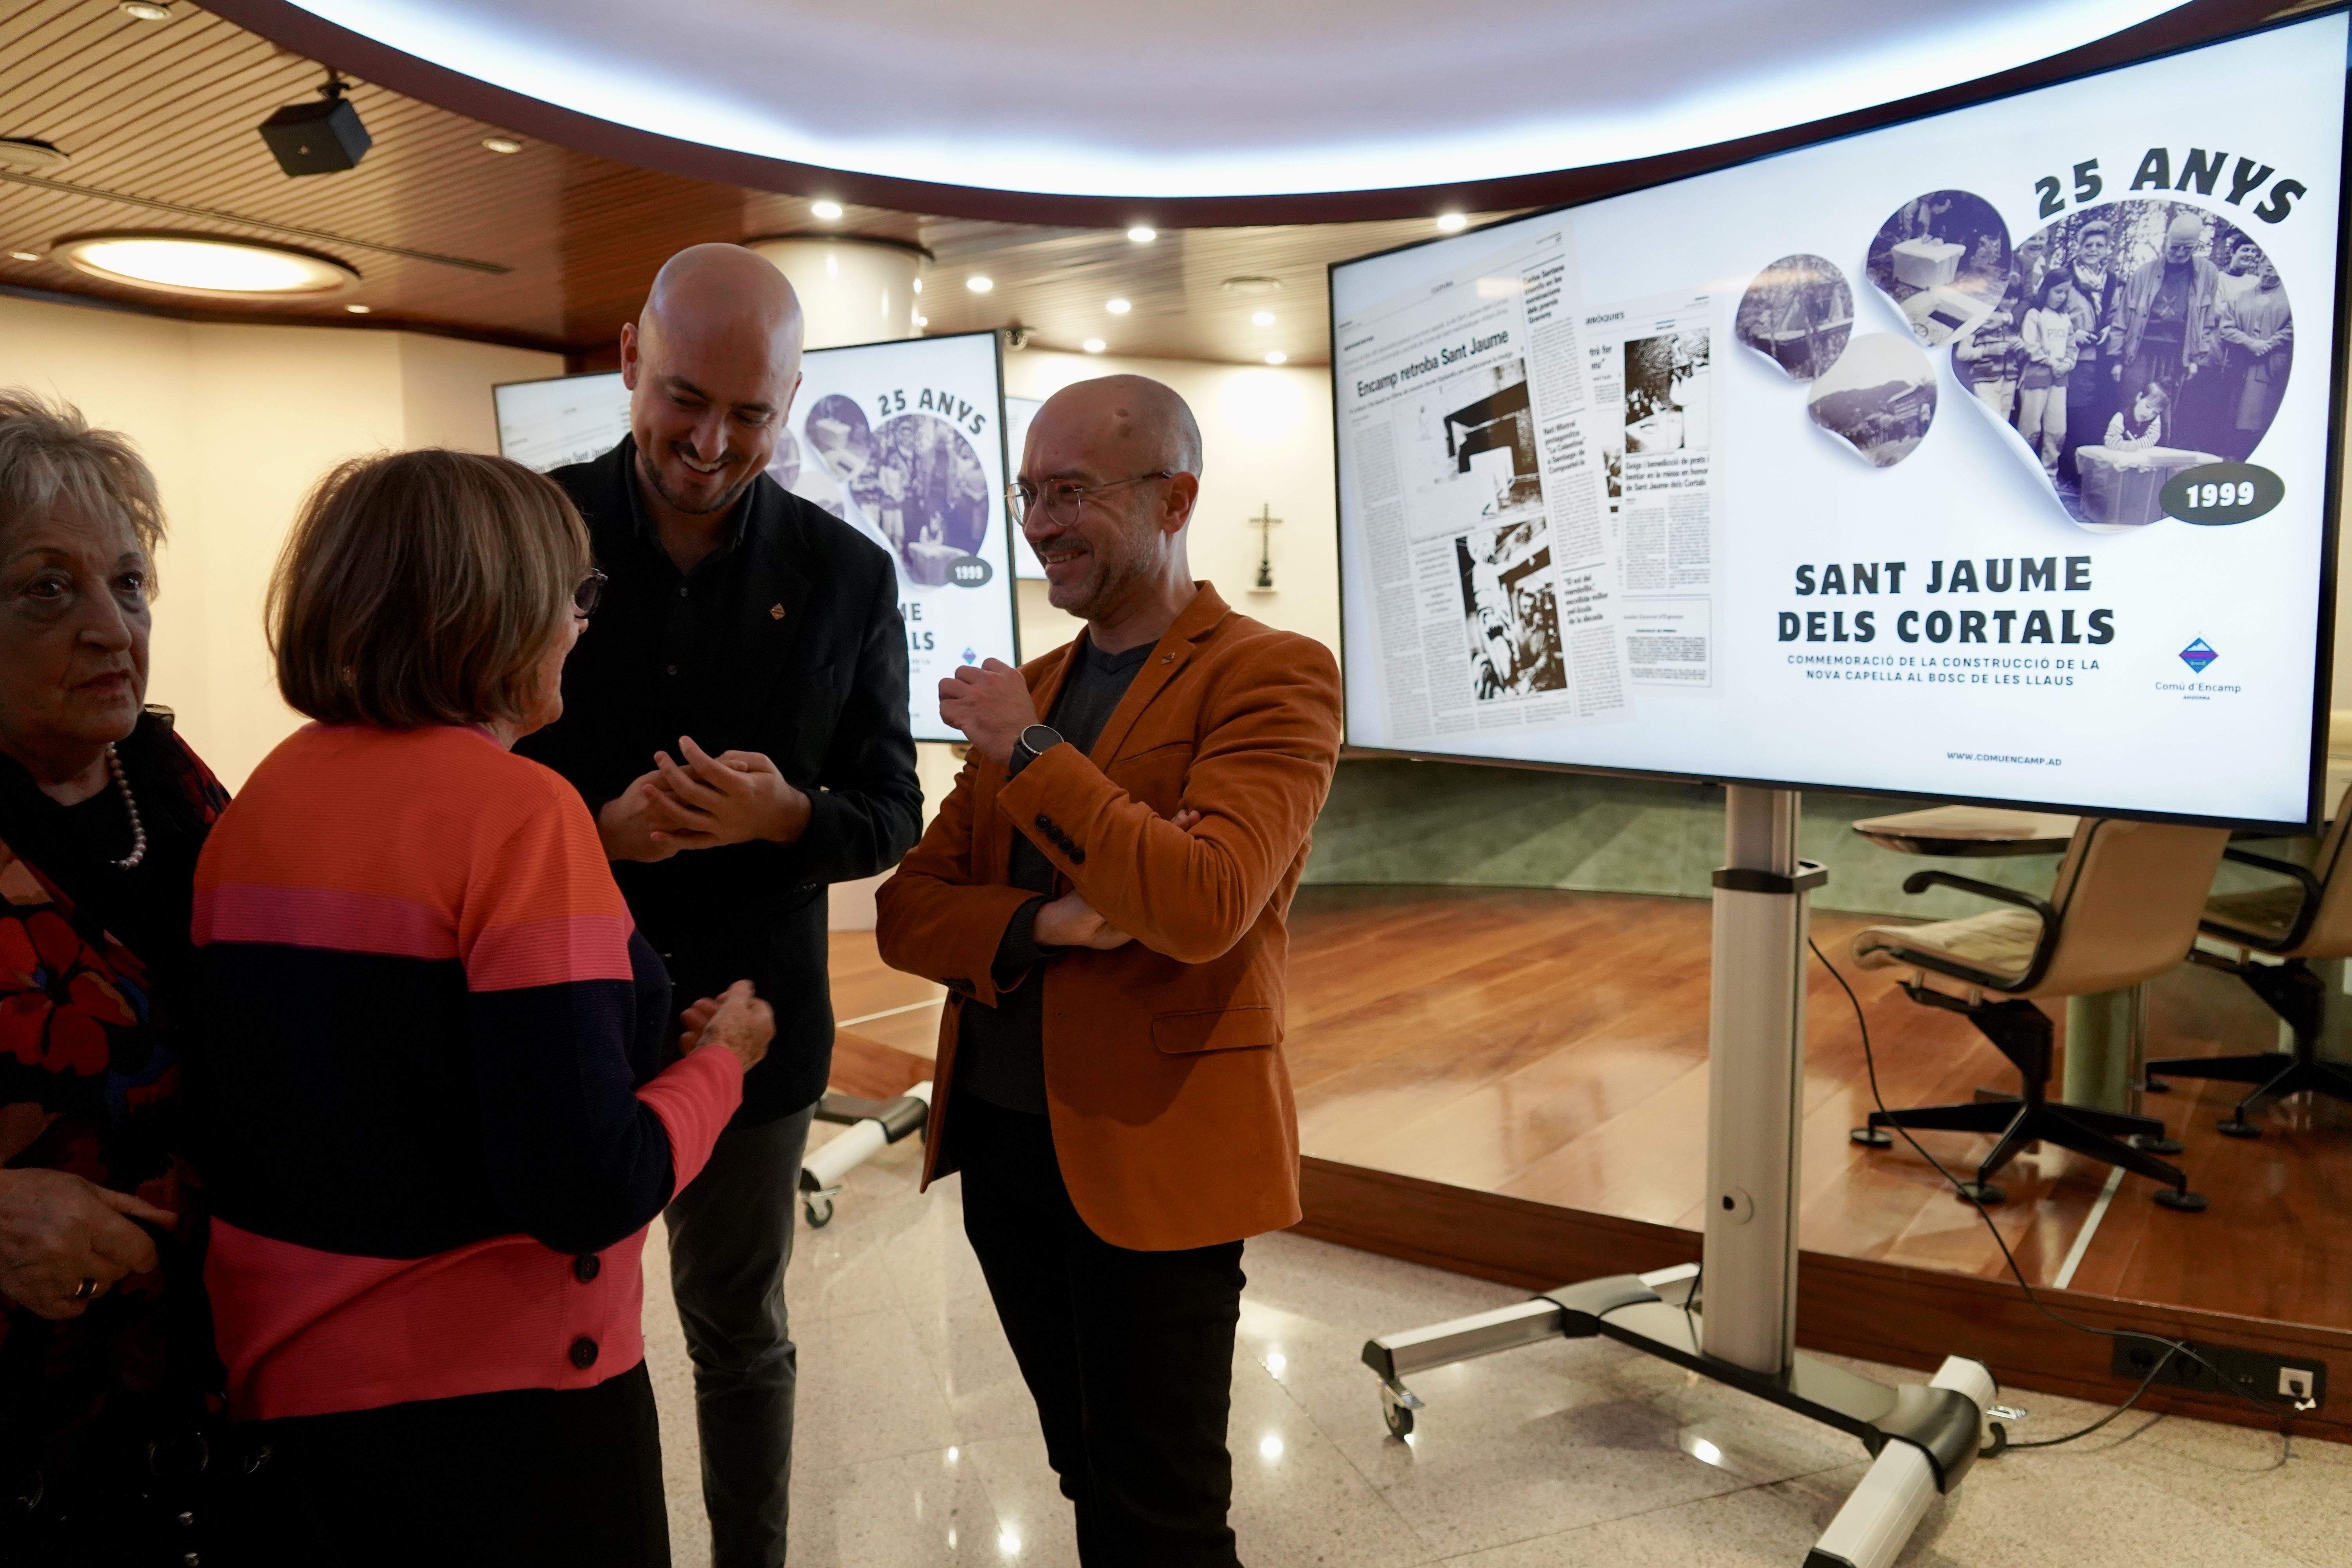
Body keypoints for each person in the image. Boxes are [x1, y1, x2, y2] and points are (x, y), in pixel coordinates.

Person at [190, 449, 772, 1566]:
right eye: (571, 592)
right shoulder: (520, 815)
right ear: (491, 608)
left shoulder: (254, 804)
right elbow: (587, 1184)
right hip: (506, 1427)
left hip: (290, 1411)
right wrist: (724, 1063)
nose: (579, 623)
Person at [875, 375, 1343, 1566]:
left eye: (1071, 492)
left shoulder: (1269, 673)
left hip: (1158, 1150)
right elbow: (908, 911)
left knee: (1162, 1504)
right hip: (1005, 1141)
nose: (1037, 523)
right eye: (1029, 493)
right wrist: (1046, 928)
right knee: (1084, 1464)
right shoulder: (1027, 683)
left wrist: (1026, 751)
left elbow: (1198, 903)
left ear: (1174, 496)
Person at [514, 243, 923, 1568]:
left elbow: (891, 810)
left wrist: (787, 816)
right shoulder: (529, 535)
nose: (712, 441)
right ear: (630, 359)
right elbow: (455, 769)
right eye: (685, 396)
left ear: (793, 399)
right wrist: (596, 834)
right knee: (550, 1322)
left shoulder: (852, 575)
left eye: (753, 413)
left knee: (737, 1332)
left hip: (759, 1028)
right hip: (554, 1008)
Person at [0, 392, 230, 1562]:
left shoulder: (176, 780)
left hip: (200, 1397)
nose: (108, 626)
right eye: (47, 587)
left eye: (127, 584)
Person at [2115, 211, 2223, 443]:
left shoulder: (2208, 274)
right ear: (2166, 241)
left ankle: (2156, 471)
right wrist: (2116, 358)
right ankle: (2122, 462)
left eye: (2188, 248)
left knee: (2163, 415)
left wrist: (2196, 358)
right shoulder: (2143, 274)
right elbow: (2122, 319)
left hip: (2177, 356)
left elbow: (2208, 322)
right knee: (2132, 408)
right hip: (2140, 354)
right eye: (2175, 247)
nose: (2181, 254)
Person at [2057, 220, 2121, 488]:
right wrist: (2074, 333)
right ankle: (2068, 472)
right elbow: (2051, 309)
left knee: (2097, 414)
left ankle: (2090, 475)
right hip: (2075, 357)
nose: (2094, 250)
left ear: (2107, 249)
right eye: (2089, 245)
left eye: (2100, 245)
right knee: (2074, 413)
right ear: (2080, 248)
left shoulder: (2113, 281)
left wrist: (2108, 329)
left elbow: (2118, 314)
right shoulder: (2066, 277)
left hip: (2103, 359)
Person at [2214, 260, 2292, 461]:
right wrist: (2249, 342)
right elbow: (2226, 328)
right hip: (2241, 366)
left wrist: (2271, 343)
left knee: (2264, 418)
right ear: (2259, 268)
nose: (2272, 274)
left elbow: (2293, 328)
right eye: (2268, 269)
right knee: (2235, 416)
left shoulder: (2291, 298)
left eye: (2277, 270)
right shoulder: (2241, 298)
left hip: (2273, 368)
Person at [2017, 272, 2080, 474]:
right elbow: (2031, 345)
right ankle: (2021, 471)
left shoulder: (2065, 319)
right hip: (2037, 376)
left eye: (2066, 293)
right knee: (2031, 427)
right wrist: (2052, 362)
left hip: (2060, 379)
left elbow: (2072, 345)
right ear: (2047, 290)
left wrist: (2068, 363)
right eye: (2057, 291)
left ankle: (2049, 472)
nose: (2061, 297)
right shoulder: (2035, 314)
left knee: (2057, 429)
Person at [2104, 381, 2169, 450]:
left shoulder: (2155, 420)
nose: (2149, 414)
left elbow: (2152, 438)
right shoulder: (2121, 417)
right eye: (2148, 407)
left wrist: (2138, 446)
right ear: (2139, 397)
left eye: (2155, 413)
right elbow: (2110, 440)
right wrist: (2126, 446)